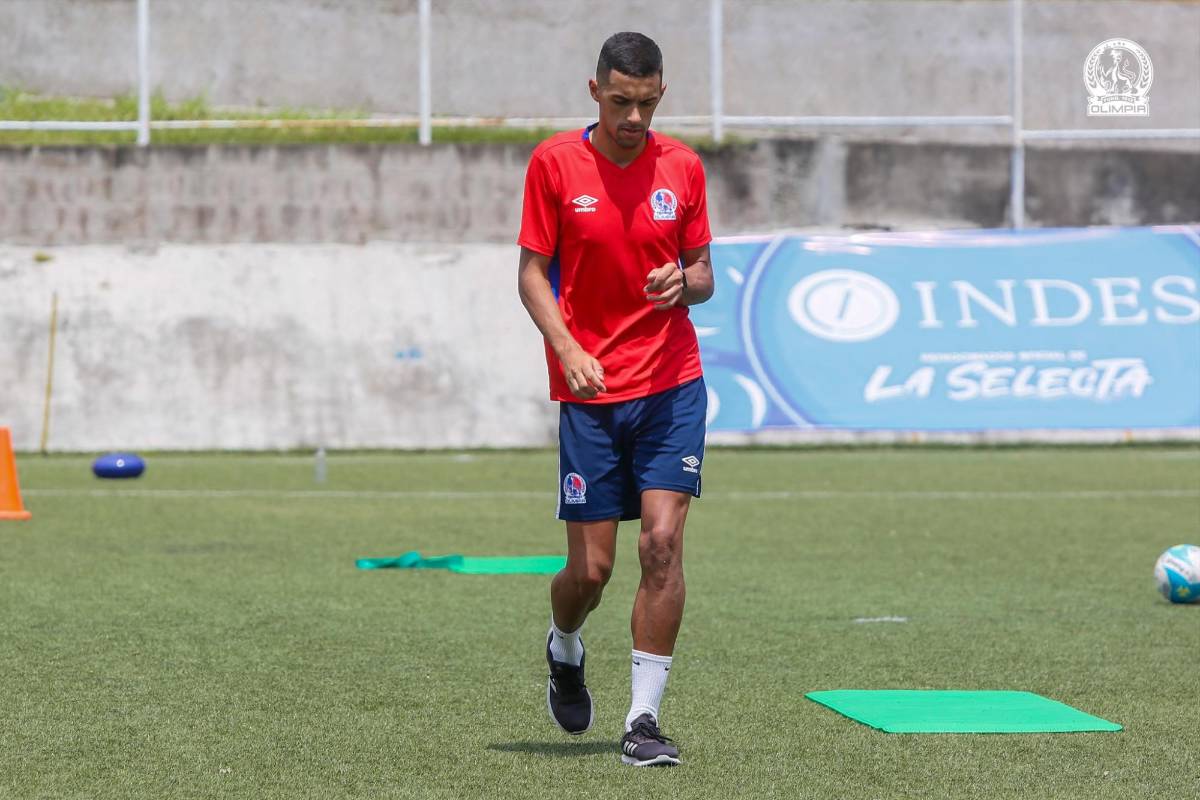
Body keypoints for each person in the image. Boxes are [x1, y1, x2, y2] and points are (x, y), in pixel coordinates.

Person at [516, 31, 714, 767]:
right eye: (624, 101)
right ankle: (564, 647)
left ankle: (643, 722)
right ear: (594, 91)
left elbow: (703, 274)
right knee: (590, 574)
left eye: (649, 103)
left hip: (671, 383)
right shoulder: (555, 163)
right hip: (591, 391)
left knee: (661, 544)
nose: (636, 118)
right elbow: (532, 274)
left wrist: (682, 284)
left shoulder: (683, 168)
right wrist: (568, 348)